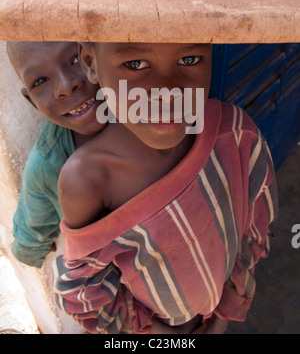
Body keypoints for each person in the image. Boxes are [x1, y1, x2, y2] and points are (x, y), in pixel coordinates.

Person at [53, 41, 278, 334]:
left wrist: (226, 310)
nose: (168, 92)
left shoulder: (236, 133)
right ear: (90, 63)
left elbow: (256, 222)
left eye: (190, 58)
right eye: (135, 64)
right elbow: (83, 291)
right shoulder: (88, 180)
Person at [7, 41, 106, 268]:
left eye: (75, 59)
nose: (65, 86)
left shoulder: (149, 112)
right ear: (32, 101)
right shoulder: (47, 164)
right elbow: (28, 247)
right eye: (40, 81)